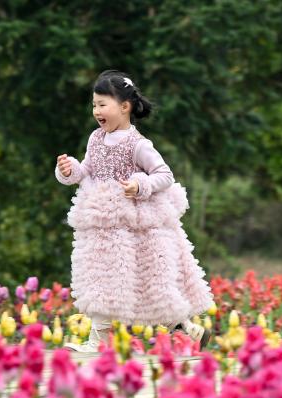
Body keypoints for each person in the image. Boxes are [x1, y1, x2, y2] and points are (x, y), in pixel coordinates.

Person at [55, 70, 213, 353]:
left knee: (149, 285)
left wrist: (140, 185)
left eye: (103, 104)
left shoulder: (137, 144)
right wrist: (69, 170)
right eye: (94, 105)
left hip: (135, 229)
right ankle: (99, 341)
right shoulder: (95, 138)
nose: (97, 111)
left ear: (124, 106)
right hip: (104, 226)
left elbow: (164, 174)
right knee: (102, 279)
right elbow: (87, 170)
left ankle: (188, 330)